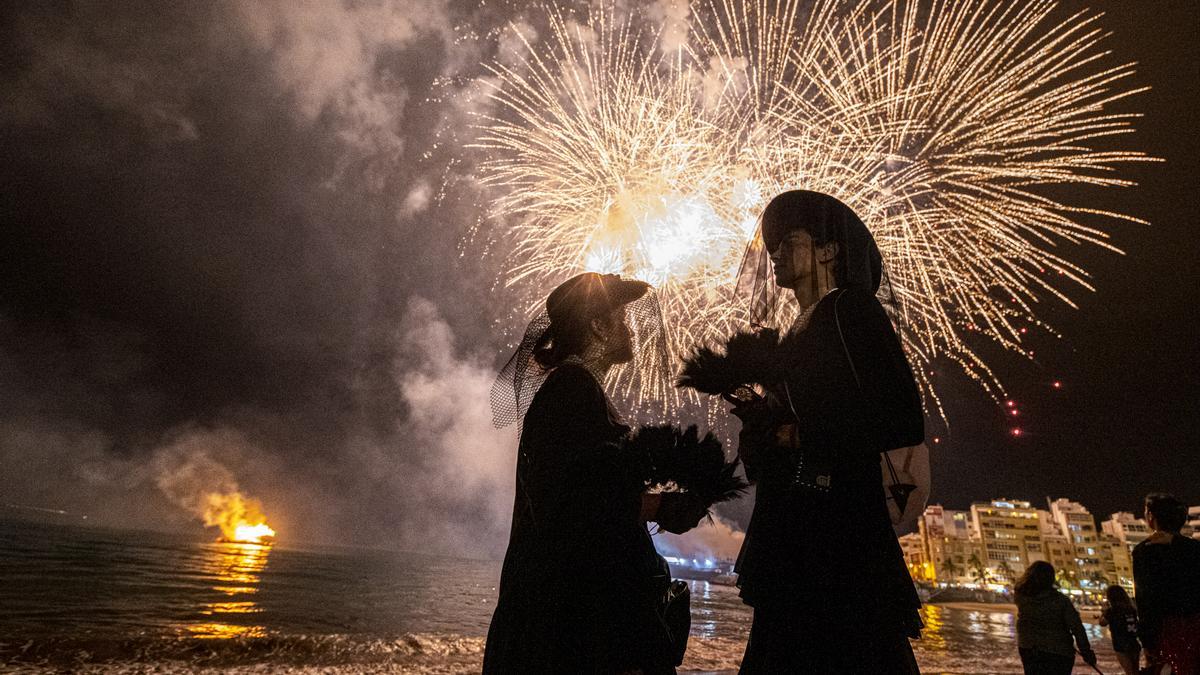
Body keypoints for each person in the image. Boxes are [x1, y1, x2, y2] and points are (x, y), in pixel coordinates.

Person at [717, 190, 926, 673]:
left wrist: (793, 435)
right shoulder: (797, 328)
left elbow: (898, 417)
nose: (775, 255)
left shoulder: (850, 309)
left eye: (790, 241)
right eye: (773, 246)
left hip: (836, 542)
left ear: (829, 250)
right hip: (799, 532)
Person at [483, 272, 705, 675]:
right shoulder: (572, 389)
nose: (631, 330)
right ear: (598, 325)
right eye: (621, 319)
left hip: (570, 624)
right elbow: (570, 508)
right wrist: (655, 505)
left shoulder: (574, 389)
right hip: (574, 634)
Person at [1134, 492, 1200, 675]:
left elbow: (1145, 599)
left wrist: (1147, 641)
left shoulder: (1145, 550)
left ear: (1151, 517)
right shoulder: (1193, 548)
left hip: (1168, 631)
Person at [1013, 560, 1097, 675]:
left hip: (1028, 648)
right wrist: (1086, 652)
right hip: (1058, 651)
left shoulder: (1021, 597)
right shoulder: (1061, 601)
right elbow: (1077, 628)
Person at [1099, 584, 1140, 675]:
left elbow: (1102, 623)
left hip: (1121, 646)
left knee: (1129, 672)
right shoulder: (1131, 609)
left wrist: (1103, 611)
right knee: (1135, 671)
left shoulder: (1112, 611)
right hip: (1134, 644)